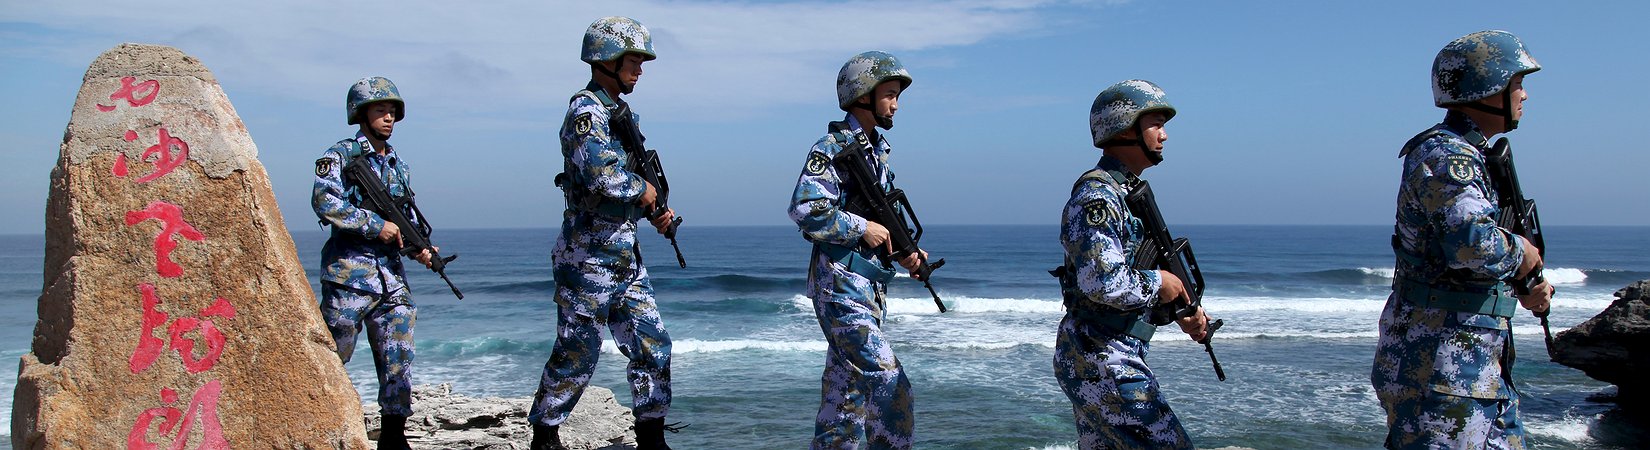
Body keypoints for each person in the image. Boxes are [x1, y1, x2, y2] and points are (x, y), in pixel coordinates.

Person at [1372, 30, 1553, 449]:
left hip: (1473, 366)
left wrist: (1526, 283)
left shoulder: (1469, 154)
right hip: (1439, 367)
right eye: (1517, 84)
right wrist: (1522, 255)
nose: (1524, 95)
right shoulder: (1446, 155)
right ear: (1486, 88)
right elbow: (1473, 244)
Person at [529, 16, 680, 450]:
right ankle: (545, 435)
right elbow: (601, 175)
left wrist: (657, 210)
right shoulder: (586, 111)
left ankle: (651, 437)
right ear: (605, 60)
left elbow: (632, 178)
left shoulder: (620, 115)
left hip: (624, 254)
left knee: (653, 345)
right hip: (588, 255)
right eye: (633, 59)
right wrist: (643, 190)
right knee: (577, 351)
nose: (640, 69)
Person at [1051, 80, 1210, 450]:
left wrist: (1179, 308)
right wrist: (1162, 284)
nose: (1165, 135)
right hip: (1101, 354)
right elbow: (1101, 281)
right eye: (1155, 124)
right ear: (1124, 128)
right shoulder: (1098, 198)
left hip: (1107, 351)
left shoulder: (1126, 193)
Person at [788, 50, 930, 450]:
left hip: (866, 288)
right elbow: (804, 209)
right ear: (862, 95)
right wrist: (860, 227)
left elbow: (886, 218)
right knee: (891, 383)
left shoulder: (876, 153)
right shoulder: (831, 148)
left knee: (844, 397)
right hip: (841, 285)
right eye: (889, 94)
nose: (896, 104)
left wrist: (906, 253)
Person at [312, 76, 437, 450]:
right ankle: (315, 421)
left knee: (398, 356)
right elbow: (326, 203)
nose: (388, 118)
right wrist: (372, 225)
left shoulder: (398, 165)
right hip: (350, 275)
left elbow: (401, 216)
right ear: (361, 114)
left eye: (392, 112)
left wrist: (420, 248)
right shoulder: (338, 156)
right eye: (380, 110)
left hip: (390, 280)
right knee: (333, 356)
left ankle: (394, 436)